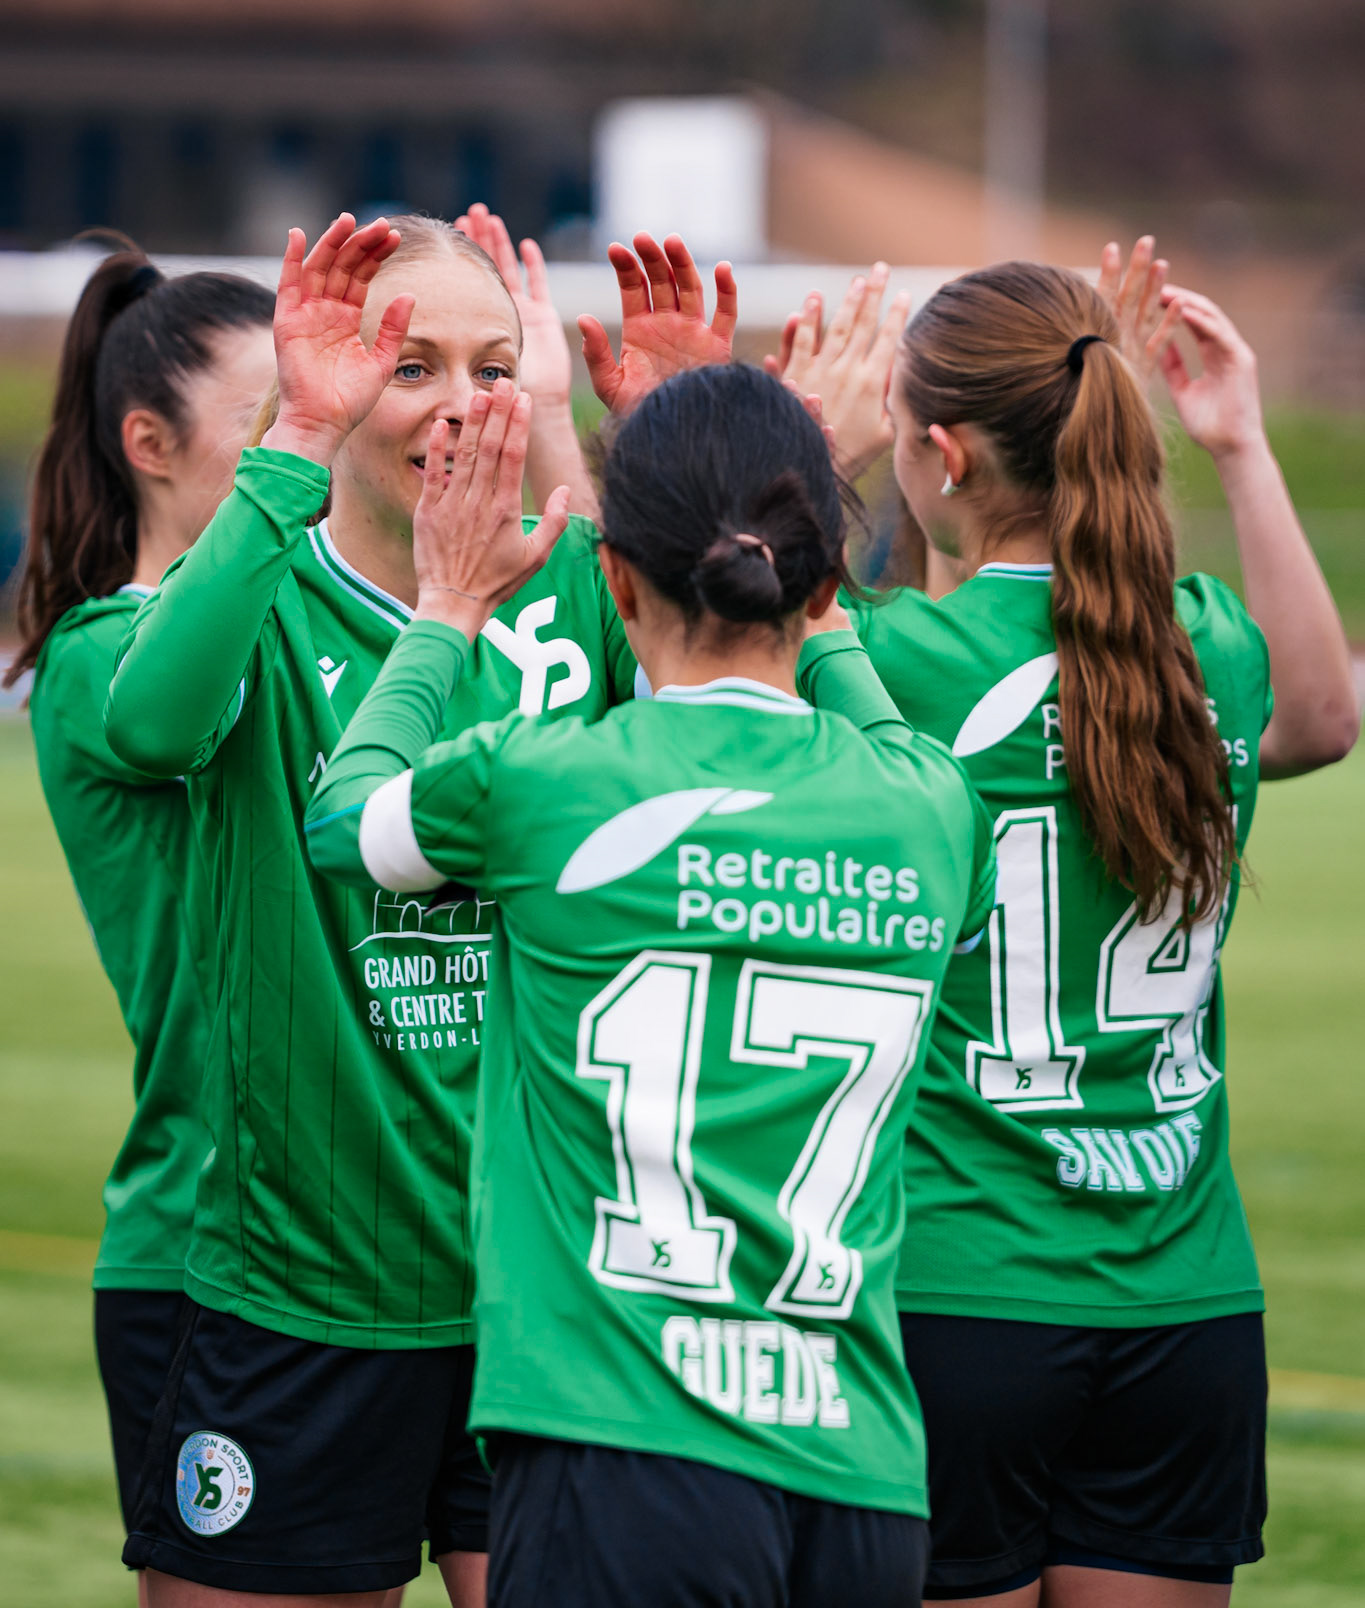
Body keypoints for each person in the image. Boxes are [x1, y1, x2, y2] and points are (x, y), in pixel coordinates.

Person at [305, 362, 999, 1608]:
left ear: (612, 575)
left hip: (619, 1450)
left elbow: (342, 818)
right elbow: (891, 748)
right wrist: (824, 621)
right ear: (824, 582)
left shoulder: (540, 775)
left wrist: (448, 606)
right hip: (862, 1471)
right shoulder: (931, 804)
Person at [100, 212, 639, 1607]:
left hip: (536, 1302)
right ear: (343, 389)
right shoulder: (262, 597)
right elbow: (148, 725)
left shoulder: (575, 596)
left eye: (493, 365)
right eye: (414, 369)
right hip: (304, 1297)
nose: (464, 403)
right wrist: (295, 437)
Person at [813, 261, 1358, 1607]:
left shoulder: (889, 661)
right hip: (1186, 1311)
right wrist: (1236, 444)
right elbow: (1324, 718)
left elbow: (728, 636)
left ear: (938, 451)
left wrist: (812, 448)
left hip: (959, 1290)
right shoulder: (1204, 648)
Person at [5, 244, 275, 1596]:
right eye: (278, 424)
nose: (314, 446)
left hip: (407, 1246)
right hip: (204, 1246)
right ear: (149, 443)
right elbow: (182, 715)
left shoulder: (336, 632)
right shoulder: (102, 659)